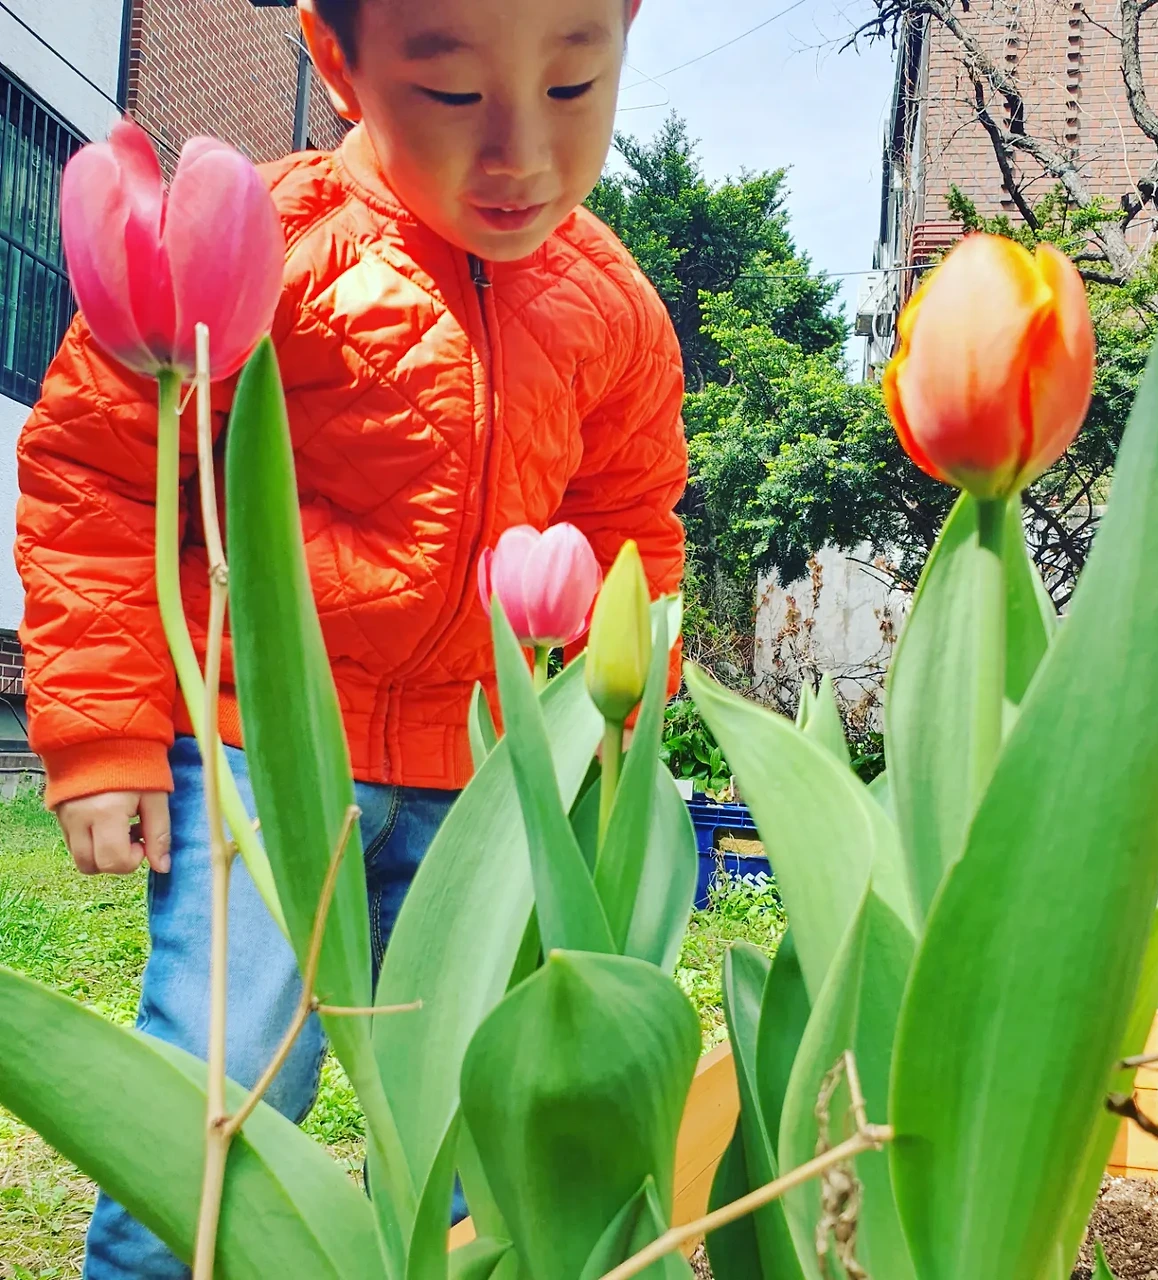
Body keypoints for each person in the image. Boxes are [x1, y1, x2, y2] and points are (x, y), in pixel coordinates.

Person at [15, 0, 686, 1274]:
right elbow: (98, 473)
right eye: (453, 95)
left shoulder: (612, 306)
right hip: (258, 752)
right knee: (219, 1083)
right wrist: (102, 736)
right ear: (339, 61)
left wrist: (615, 728)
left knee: (457, 1112)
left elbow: (629, 526)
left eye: (571, 88)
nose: (520, 155)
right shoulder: (257, 244)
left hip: (473, 781)